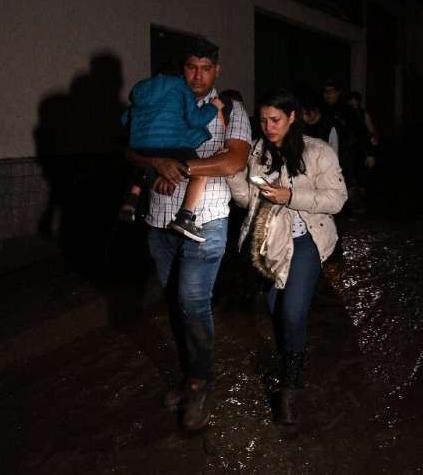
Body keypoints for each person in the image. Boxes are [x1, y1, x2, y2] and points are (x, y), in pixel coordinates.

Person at [126, 38, 251, 431]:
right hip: (160, 222)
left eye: (205, 68)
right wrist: (154, 161)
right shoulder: (163, 101)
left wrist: (179, 167)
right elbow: (129, 149)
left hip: (207, 221)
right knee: (174, 304)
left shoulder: (230, 108)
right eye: (191, 67)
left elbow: (233, 159)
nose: (198, 75)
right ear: (183, 69)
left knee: (193, 302)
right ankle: (189, 373)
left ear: (217, 71)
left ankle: (199, 382)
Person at [227, 88, 347, 425]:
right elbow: (244, 201)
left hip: (306, 240)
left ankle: (290, 389)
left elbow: (336, 199)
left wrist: (290, 195)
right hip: (267, 243)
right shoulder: (258, 151)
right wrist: (235, 174)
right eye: (263, 120)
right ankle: (288, 361)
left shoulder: (318, 151)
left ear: (292, 117)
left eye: (275, 119)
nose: (268, 126)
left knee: (293, 313)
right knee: (278, 313)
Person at [118, 72, 225, 243]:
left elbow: (126, 119)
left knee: (142, 163)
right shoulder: (180, 87)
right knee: (201, 172)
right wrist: (213, 107)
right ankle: (185, 217)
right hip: (173, 143)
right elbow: (194, 120)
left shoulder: (141, 90)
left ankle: (130, 202)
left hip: (142, 144)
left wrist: (146, 132)